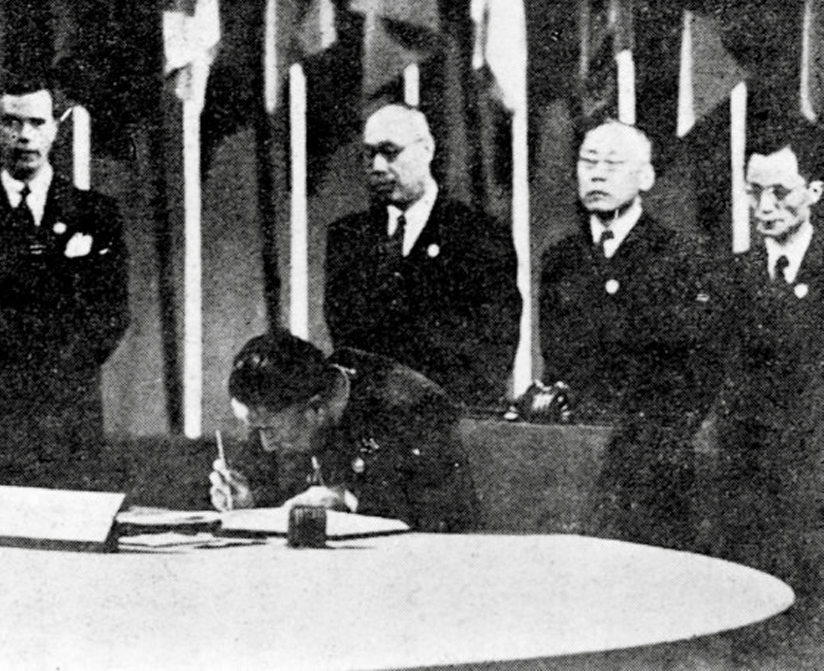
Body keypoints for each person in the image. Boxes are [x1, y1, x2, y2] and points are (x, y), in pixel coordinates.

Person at [0, 76, 130, 490]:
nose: (24, 136)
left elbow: (110, 314)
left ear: (55, 128)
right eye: (11, 122)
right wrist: (5, 383)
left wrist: (54, 378)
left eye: (37, 123)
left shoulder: (96, 215)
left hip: (67, 418)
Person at [539, 120, 718, 549]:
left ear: (646, 177)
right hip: (577, 453)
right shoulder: (561, 258)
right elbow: (558, 359)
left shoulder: (681, 257)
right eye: (588, 163)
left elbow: (694, 371)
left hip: (651, 460)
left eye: (613, 164)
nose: (597, 175)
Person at [324, 103, 521, 411]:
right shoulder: (347, 237)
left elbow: (495, 346)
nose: (377, 166)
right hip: (369, 418)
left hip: (448, 417)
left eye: (390, 152)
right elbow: (346, 338)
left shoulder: (479, 235)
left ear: (426, 149)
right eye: (369, 154)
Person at [208, 332, 478, 532]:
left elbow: (448, 512)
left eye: (268, 429)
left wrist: (348, 499)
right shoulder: (283, 400)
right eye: (255, 429)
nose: (266, 444)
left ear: (316, 409)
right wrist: (249, 503)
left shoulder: (409, 407)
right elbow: (280, 492)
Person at [716, 118, 824, 592]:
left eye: (780, 192)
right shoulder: (731, 276)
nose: (764, 206)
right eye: (754, 192)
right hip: (748, 483)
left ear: (815, 191)